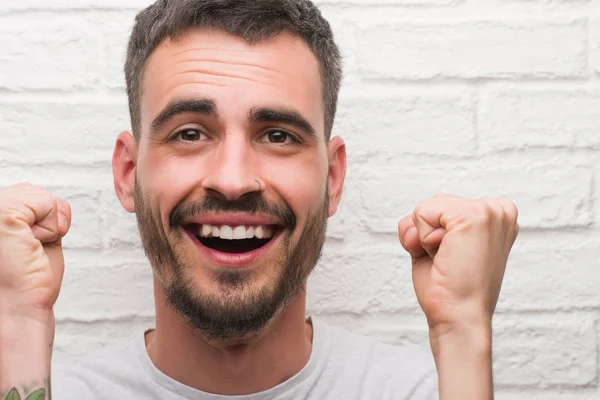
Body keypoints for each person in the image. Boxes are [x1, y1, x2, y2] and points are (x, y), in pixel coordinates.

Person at [0, 0, 519, 399]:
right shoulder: (40, 386)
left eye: (277, 135)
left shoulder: (434, 389)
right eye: (189, 133)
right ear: (129, 173)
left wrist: (463, 331)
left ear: (333, 179)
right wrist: (19, 323)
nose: (233, 180)